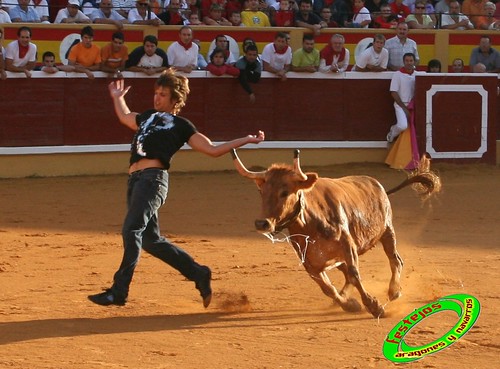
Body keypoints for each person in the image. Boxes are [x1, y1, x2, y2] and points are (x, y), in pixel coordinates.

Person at [87, 69, 265, 308]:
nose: (157, 98)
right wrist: (117, 97)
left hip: (153, 180)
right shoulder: (147, 116)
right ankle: (199, 273)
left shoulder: (182, 125)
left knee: (132, 230)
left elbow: (211, 149)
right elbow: (126, 116)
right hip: (136, 181)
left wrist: (246, 139)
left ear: (175, 100)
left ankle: (119, 291)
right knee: (150, 241)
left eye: (163, 94)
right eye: (156, 93)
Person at [386, 52, 417, 143]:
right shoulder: (397, 74)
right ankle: (392, 132)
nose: (409, 63)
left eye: (411, 61)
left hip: (414, 104)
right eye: (407, 61)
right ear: (403, 62)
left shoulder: (418, 74)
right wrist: (404, 107)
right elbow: (394, 92)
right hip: (400, 104)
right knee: (402, 125)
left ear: (414, 62)